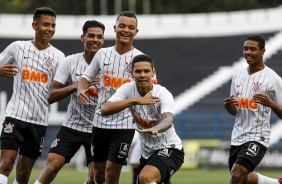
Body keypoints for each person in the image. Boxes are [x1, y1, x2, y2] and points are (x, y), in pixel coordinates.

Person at [34, 20, 105, 184]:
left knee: (96, 178)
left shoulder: (109, 64)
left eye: (99, 37)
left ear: (103, 40)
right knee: (51, 167)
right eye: (91, 36)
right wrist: (77, 85)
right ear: (83, 37)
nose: (95, 40)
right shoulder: (70, 61)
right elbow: (51, 96)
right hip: (72, 126)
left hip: (98, 128)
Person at [0, 7, 65, 184]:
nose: (50, 29)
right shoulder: (17, 47)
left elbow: (60, 87)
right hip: (15, 116)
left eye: (53, 25)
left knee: (24, 173)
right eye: (45, 24)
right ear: (34, 25)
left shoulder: (58, 57)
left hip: (39, 122)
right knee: (5, 164)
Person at [77, 11, 143, 184]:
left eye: (131, 27)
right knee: (98, 174)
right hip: (100, 122)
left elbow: (150, 87)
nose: (126, 30)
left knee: (112, 173)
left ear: (136, 31)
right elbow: (85, 78)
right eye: (122, 26)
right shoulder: (102, 54)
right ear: (115, 28)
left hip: (124, 124)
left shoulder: (140, 59)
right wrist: (81, 90)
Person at [101, 54, 184, 184]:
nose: (142, 75)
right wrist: (135, 100)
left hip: (170, 148)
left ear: (153, 73)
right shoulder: (127, 89)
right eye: (138, 71)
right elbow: (105, 109)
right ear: (132, 74)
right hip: (147, 154)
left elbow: (168, 119)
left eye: (146, 71)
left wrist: (157, 128)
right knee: (145, 179)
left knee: (146, 178)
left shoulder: (162, 93)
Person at [224, 34, 282, 184]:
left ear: (263, 51)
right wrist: (229, 108)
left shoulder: (272, 79)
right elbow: (235, 111)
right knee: (241, 179)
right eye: (245, 49)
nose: (248, 52)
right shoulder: (237, 76)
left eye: (252, 49)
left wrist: (272, 104)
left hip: (258, 137)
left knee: (237, 175)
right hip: (237, 137)